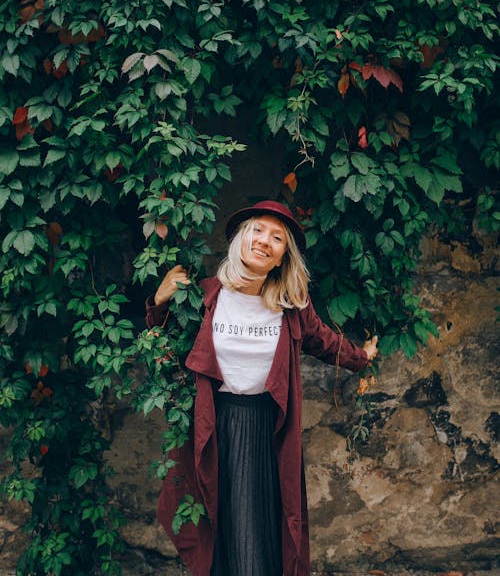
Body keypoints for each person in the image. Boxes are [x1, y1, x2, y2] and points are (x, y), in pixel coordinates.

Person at [146, 199, 378, 576]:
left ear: (282, 258)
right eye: (257, 230)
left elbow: (324, 342)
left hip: (267, 430)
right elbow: (161, 337)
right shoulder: (207, 295)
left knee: (262, 528)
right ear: (241, 239)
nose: (264, 241)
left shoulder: (290, 305)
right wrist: (159, 299)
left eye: (277, 238)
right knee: (217, 525)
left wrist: (362, 358)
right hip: (215, 424)